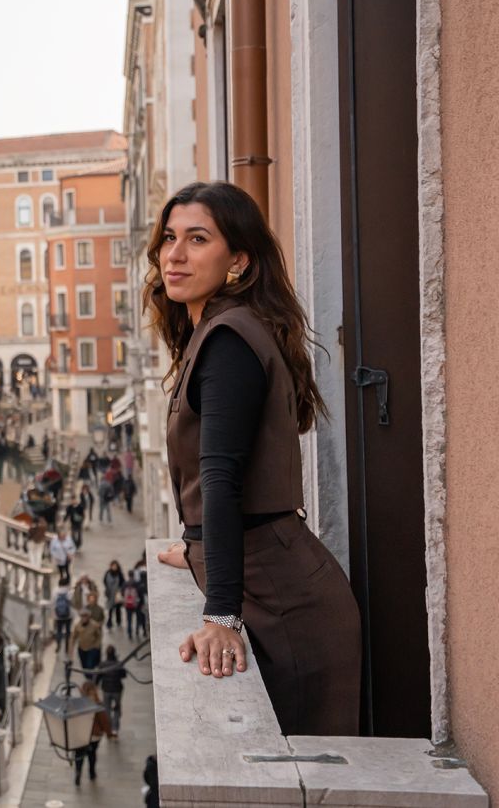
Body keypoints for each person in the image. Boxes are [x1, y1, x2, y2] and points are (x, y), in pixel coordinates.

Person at [147, 181, 360, 735]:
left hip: (283, 602)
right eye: (169, 238)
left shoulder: (227, 341)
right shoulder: (218, 331)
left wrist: (219, 615)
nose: (174, 254)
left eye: (197, 239)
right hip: (268, 575)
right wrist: (196, 548)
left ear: (237, 259)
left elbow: (221, 479)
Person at [71, 681, 111, 785]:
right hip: (94, 737)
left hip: (81, 735)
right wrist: (108, 733)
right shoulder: (97, 704)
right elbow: (104, 721)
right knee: (92, 754)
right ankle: (92, 773)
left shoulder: (78, 704)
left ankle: (78, 772)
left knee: (79, 754)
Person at [96, 645, 127, 736]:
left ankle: (108, 727)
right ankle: (115, 729)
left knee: (107, 709)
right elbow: (123, 675)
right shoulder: (119, 664)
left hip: (106, 689)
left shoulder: (102, 664)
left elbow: (98, 676)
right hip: (117, 689)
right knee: (117, 709)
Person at [103, 560, 126, 630]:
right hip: (110, 594)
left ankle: (118, 622)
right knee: (110, 609)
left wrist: (120, 591)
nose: (114, 567)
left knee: (118, 610)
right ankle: (109, 623)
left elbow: (123, 583)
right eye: (113, 566)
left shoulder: (120, 574)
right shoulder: (107, 573)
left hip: (117, 595)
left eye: (115, 566)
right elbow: (104, 581)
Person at [53, 587, 74, 654]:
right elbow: (72, 603)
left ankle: (58, 645)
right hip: (68, 616)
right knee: (68, 632)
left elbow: (53, 604)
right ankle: (66, 647)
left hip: (58, 617)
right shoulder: (69, 592)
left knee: (59, 631)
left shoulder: (55, 592)